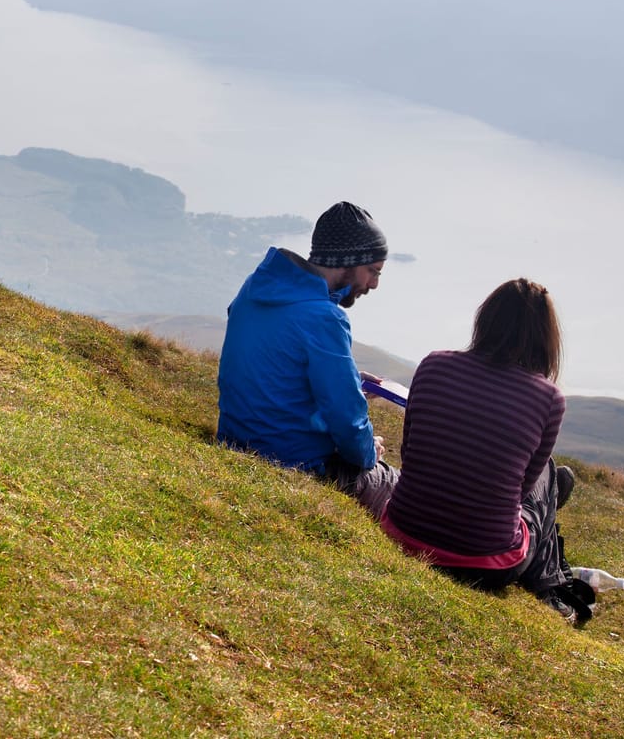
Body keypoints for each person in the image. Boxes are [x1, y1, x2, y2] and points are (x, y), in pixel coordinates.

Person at [379, 278, 588, 621]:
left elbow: (410, 449)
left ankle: (551, 534)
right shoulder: (548, 398)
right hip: (484, 565)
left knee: (542, 481)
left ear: (485, 319)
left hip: (404, 533)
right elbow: (520, 491)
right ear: (546, 338)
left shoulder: (432, 364)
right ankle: (551, 582)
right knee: (547, 474)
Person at [216, 201, 398, 517]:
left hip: (235, 440)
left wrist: (349, 377)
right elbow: (348, 422)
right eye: (372, 271)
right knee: (399, 488)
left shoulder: (255, 289)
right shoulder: (323, 317)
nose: (374, 284)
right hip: (294, 461)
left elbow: (278, 360)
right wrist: (370, 452)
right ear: (349, 261)